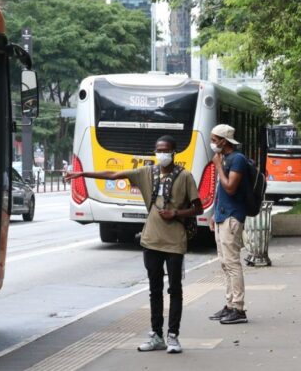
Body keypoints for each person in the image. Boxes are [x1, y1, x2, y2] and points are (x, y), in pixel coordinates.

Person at [64, 135, 202, 354]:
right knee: (154, 290)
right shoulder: (146, 173)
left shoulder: (185, 177)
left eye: (165, 150)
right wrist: (81, 174)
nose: (161, 154)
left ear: (174, 152)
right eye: (158, 150)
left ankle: (173, 336)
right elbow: (112, 174)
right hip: (150, 241)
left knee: (175, 290)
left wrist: (176, 212)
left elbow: (198, 208)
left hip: (175, 242)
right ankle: (157, 335)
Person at [208, 124, 251, 325]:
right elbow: (220, 192)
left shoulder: (237, 160)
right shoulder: (224, 159)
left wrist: (218, 166)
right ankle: (229, 304)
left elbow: (231, 188)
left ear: (224, 141)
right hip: (221, 216)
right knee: (225, 264)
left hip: (232, 217)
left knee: (232, 263)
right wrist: (213, 214)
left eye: (214, 139)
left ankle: (238, 308)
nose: (212, 143)